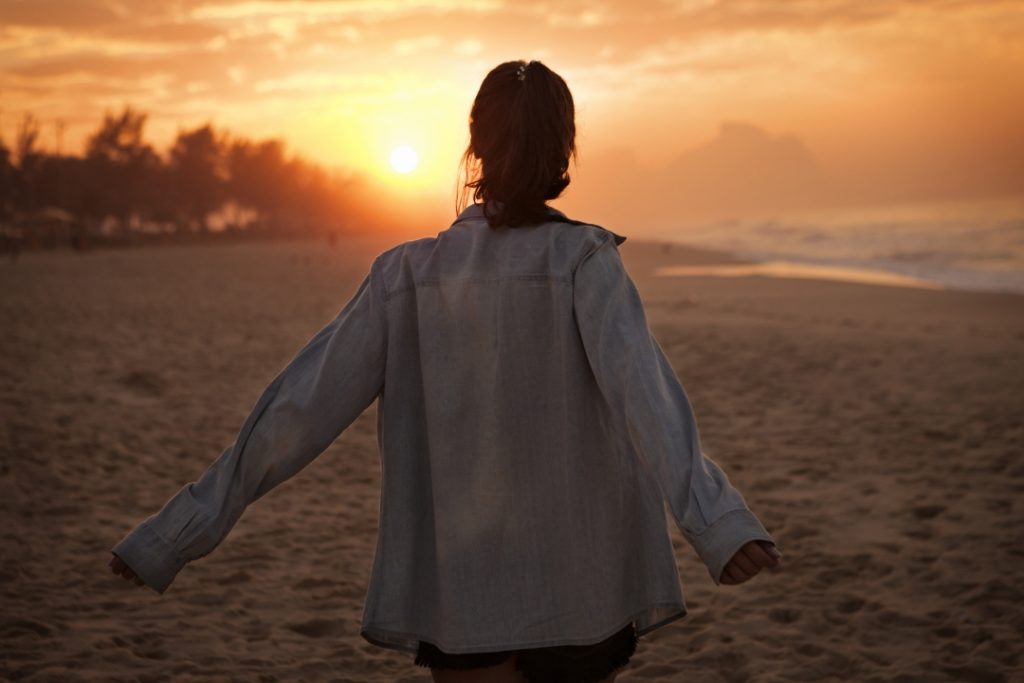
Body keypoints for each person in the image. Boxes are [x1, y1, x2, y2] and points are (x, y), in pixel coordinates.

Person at [108, 59, 782, 683]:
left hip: (464, 596)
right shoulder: (584, 262)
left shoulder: (405, 275)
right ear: (566, 153)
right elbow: (649, 400)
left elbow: (295, 412)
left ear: (475, 147)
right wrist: (718, 525)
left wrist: (174, 535)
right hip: (583, 591)